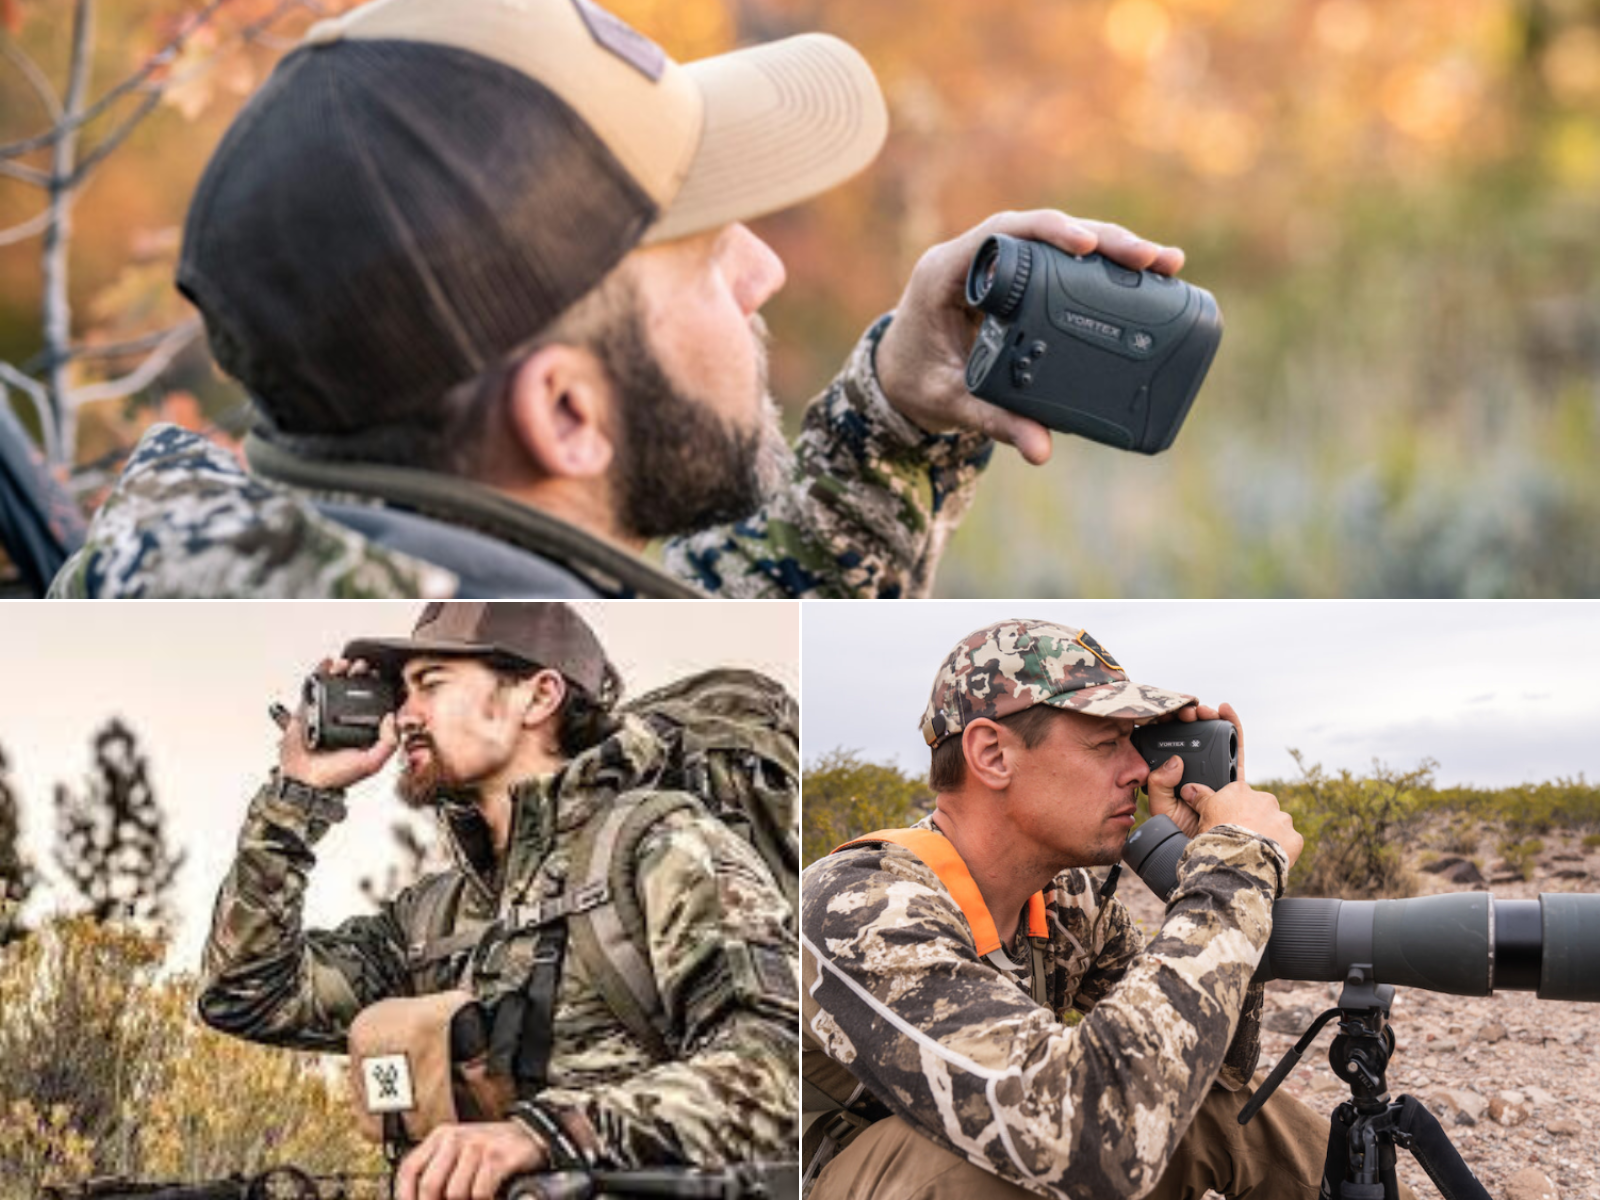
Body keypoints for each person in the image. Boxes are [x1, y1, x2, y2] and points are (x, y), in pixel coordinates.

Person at [46, 0, 1186, 599]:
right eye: (703, 253)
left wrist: (897, 415)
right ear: (567, 417)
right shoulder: (566, 733)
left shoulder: (196, 572)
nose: (764, 270)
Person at [800, 618, 1421, 1200]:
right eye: (1107, 744)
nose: (1138, 769)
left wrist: (1196, 859)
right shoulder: (861, 903)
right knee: (985, 1155)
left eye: (1138, 743)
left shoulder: (1065, 902)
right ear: (991, 754)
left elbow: (1212, 1074)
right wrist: (1234, 871)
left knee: (1201, 1099)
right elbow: (1088, 1129)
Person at [197, 601, 796, 1200]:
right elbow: (245, 994)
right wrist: (296, 798)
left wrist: (545, 1136)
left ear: (538, 697)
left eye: (430, 684)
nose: (404, 716)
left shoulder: (659, 846)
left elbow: (780, 1070)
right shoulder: (433, 916)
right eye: (400, 693)